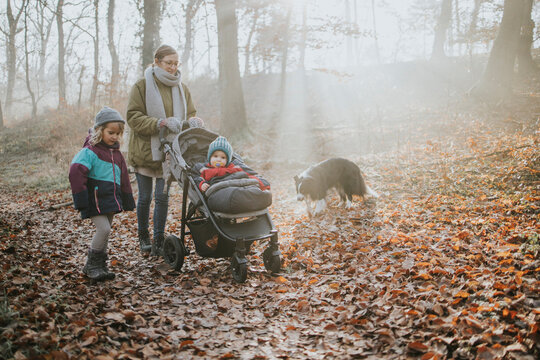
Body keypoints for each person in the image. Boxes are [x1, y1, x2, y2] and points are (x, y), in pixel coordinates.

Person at [126, 44, 201, 256]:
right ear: (157, 61)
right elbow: (133, 116)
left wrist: (193, 120)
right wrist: (160, 122)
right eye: (169, 63)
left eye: (176, 63)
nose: (173, 67)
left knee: (162, 197)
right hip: (146, 151)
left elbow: (191, 113)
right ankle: (143, 237)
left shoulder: (182, 87)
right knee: (145, 198)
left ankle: (158, 240)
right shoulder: (142, 85)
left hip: (170, 152)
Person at [69, 107, 136, 281]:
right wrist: (80, 197)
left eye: (117, 133)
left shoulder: (117, 155)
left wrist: (127, 200)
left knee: (106, 233)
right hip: (95, 200)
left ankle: (100, 266)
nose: (114, 136)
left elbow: (124, 179)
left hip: (110, 201)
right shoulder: (90, 151)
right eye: (110, 132)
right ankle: (91, 265)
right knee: (103, 228)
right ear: (100, 130)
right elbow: (75, 171)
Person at [193, 136, 270, 193]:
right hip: (217, 191)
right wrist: (202, 184)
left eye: (223, 157)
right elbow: (197, 178)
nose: (219, 159)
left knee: (247, 183)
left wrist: (263, 184)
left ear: (227, 160)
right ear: (209, 158)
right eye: (215, 156)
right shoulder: (204, 169)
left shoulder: (233, 168)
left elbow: (249, 174)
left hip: (235, 187)